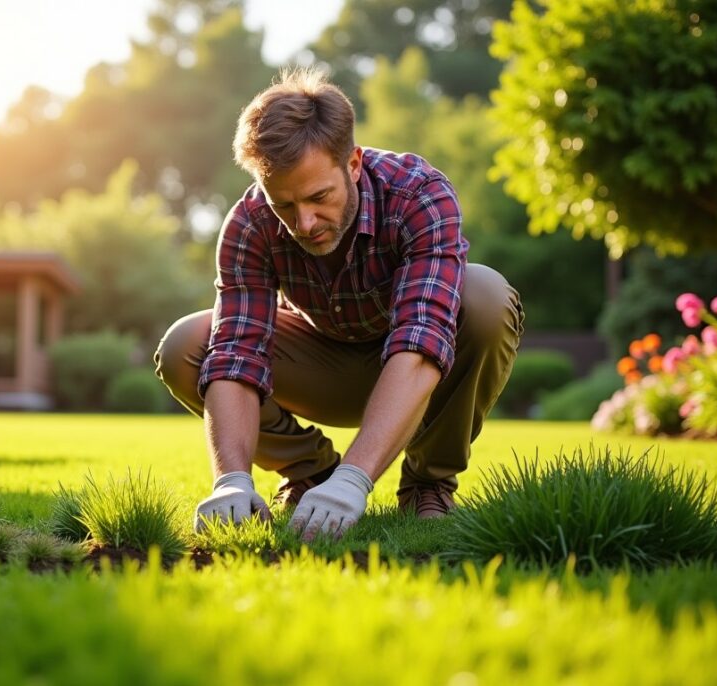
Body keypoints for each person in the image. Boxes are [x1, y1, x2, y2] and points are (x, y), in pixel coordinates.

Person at [154, 68, 523, 542]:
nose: (304, 223)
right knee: (186, 345)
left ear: (352, 163)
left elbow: (422, 338)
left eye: (318, 197)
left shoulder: (418, 194)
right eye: (284, 205)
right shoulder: (250, 222)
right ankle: (310, 472)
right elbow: (235, 353)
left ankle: (427, 484)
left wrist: (356, 478)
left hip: (414, 367)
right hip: (319, 366)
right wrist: (231, 479)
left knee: (486, 297)